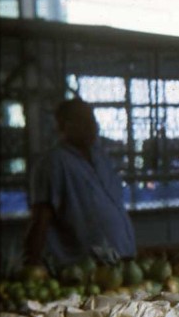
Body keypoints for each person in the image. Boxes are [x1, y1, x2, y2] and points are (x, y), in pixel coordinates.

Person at [23, 98, 136, 268]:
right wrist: (31, 265)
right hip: (84, 268)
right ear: (64, 126)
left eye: (92, 119)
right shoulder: (53, 163)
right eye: (83, 120)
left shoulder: (101, 158)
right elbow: (41, 218)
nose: (92, 126)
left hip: (122, 260)